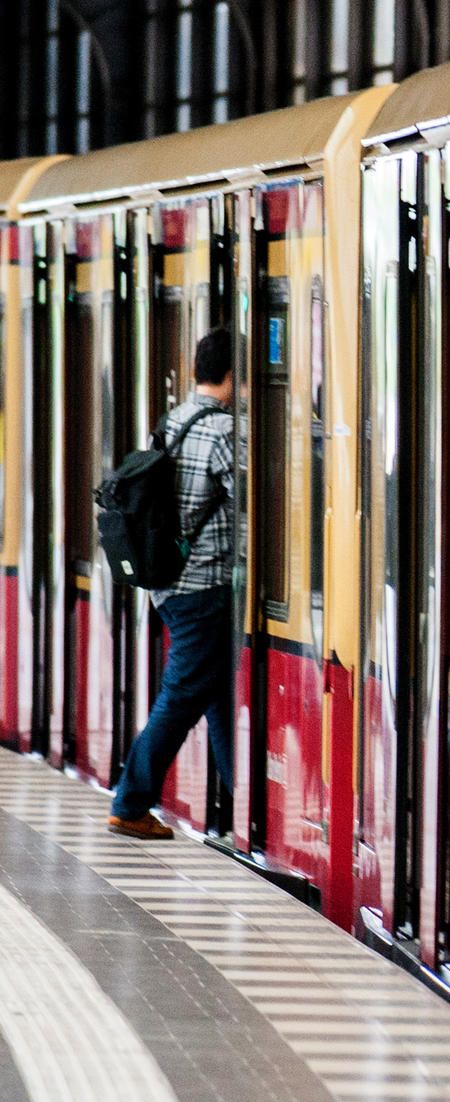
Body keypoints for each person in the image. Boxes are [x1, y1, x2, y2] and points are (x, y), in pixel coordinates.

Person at [107, 329, 236, 840]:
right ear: (233, 374)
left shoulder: (173, 421)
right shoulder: (226, 431)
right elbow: (255, 500)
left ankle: (243, 803)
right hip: (204, 585)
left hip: (169, 582)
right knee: (183, 693)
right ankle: (131, 801)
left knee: (214, 691)